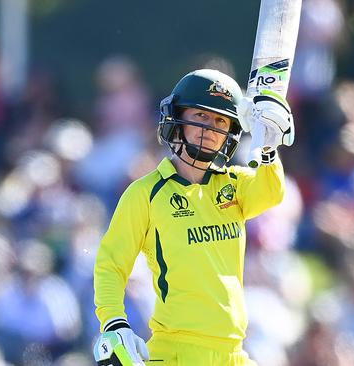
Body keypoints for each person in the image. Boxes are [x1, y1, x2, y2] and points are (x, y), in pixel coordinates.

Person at [92, 69, 294, 366]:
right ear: (177, 118)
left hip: (234, 355)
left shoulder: (234, 184)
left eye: (220, 121)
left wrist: (268, 147)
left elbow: (271, 192)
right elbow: (111, 264)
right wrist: (114, 323)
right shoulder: (146, 193)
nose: (210, 129)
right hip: (175, 352)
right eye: (201, 116)